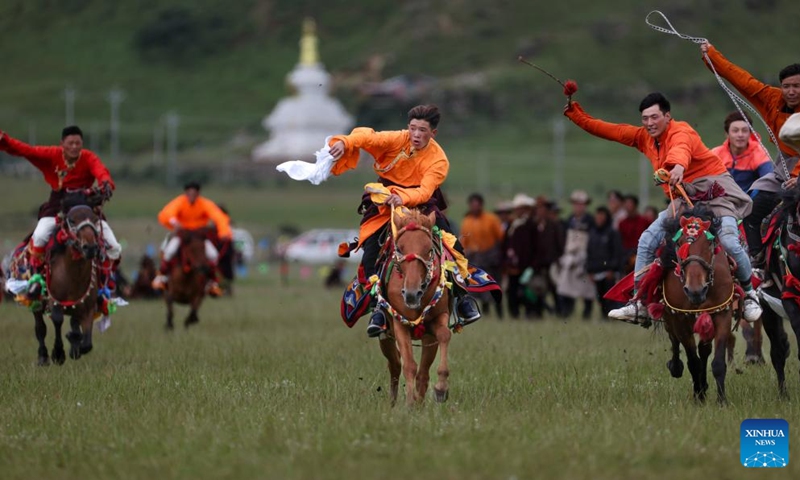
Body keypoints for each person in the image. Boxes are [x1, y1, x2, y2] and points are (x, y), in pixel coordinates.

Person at [564, 92, 761, 323]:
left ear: (668, 116)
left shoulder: (682, 131)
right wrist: (575, 114)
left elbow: (681, 149)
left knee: (728, 239)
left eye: (654, 117)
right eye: (645, 118)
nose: (649, 123)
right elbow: (609, 130)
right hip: (682, 200)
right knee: (647, 240)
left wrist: (677, 167)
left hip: (714, 194)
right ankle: (639, 303)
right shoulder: (643, 137)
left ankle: (749, 294)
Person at [328, 104, 481, 337]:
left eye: (422, 130)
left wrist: (401, 198)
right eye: (413, 128)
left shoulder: (439, 160)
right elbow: (368, 137)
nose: (416, 135)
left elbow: (425, 191)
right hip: (384, 200)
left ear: (433, 133)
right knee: (371, 247)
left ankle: (461, 298)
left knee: (452, 244)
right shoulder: (397, 139)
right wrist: (344, 142)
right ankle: (378, 307)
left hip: (420, 203)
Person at [700, 42, 800, 263]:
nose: (791, 91)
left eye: (797, 86)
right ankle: (758, 261)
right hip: (783, 168)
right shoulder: (772, 99)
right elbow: (742, 80)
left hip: (797, 174)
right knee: (751, 211)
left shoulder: (756, 154)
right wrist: (712, 56)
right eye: (786, 86)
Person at [0, 125, 122, 296]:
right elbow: (26, 150)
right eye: (70, 143)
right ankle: (36, 281)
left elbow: (101, 171)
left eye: (78, 143)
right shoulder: (52, 154)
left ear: (82, 144)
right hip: (58, 207)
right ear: (62, 144)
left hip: (84, 208)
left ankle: (104, 285)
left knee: (114, 247)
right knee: (41, 235)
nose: (74, 147)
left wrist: (106, 184)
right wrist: (4, 140)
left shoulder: (88, 157)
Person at [152, 181, 231, 297]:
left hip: (199, 237)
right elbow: (167, 213)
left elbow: (218, 217)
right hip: (183, 235)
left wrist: (224, 232)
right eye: (189, 193)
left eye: (194, 193)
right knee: (169, 251)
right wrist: (175, 222)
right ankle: (161, 278)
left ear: (198, 194)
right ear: (186, 193)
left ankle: (212, 284)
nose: (191, 195)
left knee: (213, 255)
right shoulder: (180, 201)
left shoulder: (204, 203)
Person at [460, 193, 505, 317]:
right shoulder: (466, 221)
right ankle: (485, 313)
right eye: (472, 205)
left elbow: (501, 238)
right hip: (475, 259)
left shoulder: (491, 219)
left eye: (477, 204)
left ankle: (499, 313)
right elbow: (464, 242)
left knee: (494, 286)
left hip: (491, 258)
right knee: (480, 286)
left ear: (481, 205)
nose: (475, 207)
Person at [555, 190, 595, 319]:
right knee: (566, 286)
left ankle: (586, 313)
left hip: (585, 258)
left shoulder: (590, 220)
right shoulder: (569, 220)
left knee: (587, 289)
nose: (579, 206)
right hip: (570, 257)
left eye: (581, 204)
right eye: (576, 204)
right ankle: (566, 312)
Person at [712, 111, 773, 193]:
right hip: (722, 199)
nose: (740, 135)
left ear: (750, 133)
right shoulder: (716, 154)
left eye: (744, 131)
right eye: (735, 131)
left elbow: (769, 182)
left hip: (750, 200)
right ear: (727, 134)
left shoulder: (759, 154)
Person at [502, 194, 537, 319]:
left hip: (525, 265)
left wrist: (532, 265)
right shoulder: (513, 224)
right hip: (512, 265)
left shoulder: (530, 225)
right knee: (511, 291)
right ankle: (514, 314)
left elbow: (534, 246)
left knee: (526, 292)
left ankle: (530, 313)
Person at [586, 206, 625, 317]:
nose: (599, 219)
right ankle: (604, 316)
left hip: (608, 273)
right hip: (596, 271)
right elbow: (589, 252)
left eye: (601, 216)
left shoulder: (612, 233)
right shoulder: (592, 233)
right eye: (597, 216)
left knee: (610, 297)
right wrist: (589, 270)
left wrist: (613, 269)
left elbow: (617, 252)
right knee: (600, 297)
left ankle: (611, 316)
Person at [618, 195, 650, 273]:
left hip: (642, 257)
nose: (628, 206)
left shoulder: (645, 221)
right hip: (626, 259)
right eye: (626, 204)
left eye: (630, 204)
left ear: (635, 205)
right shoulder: (622, 223)